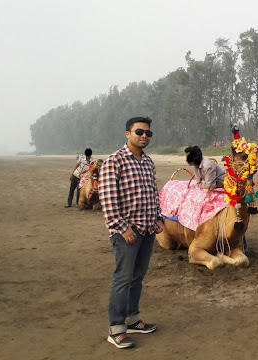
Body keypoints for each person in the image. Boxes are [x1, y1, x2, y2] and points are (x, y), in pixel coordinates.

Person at [99, 116, 164, 349]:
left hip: (148, 230)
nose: (144, 136)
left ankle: (133, 320)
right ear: (128, 134)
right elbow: (108, 201)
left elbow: (152, 193)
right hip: (126, 232)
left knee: (138, 277)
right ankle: (116, 329)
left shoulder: (148, 162)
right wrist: (123, 228)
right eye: (139, 132)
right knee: (123, 278)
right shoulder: (114, 162)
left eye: (148, 133)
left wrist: (158, 218)